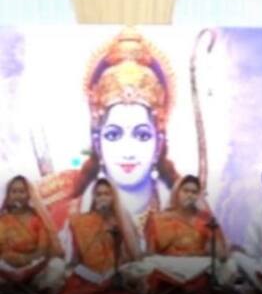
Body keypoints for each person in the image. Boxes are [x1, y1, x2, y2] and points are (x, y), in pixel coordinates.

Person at [38, 28, 208, 246]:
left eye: (142, 135)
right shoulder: (59, 209)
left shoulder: (190, 206)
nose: (128, 151)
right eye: (113, 135)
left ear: (158, 144)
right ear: (98, 143)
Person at [121, 175, 236, 294]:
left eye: (194, 192)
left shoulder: (206, 219)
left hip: (198, 264)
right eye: (186, 191)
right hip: (167, 264)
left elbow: (220, 252)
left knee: (227, 266)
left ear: (198, 195)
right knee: (144, 264)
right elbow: (151, 252)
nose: (190, 195)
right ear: (176, 193)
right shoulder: (159, 219)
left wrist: (213, 248)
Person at [60, 178, 140, 294]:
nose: (102, 198)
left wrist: (118, 223)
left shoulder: (123, 221)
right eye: (99, 194)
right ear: (94, 197)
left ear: (114, 197)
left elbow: (134, 255)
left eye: (107, 194)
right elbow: (73, 257)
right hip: (89, 276)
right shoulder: (82, 222)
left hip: (116, 275)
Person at [0, 175, 65, 294]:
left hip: (33, 267)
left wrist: (26, 261)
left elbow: (42, 249)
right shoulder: (2, 220)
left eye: (22, 191)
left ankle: (36, 291)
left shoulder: (37, 218)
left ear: (29, 195)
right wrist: (10, 261)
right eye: (14, 191)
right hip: (8, 267)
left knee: (57, 266)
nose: (18, 195)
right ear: (8, 195)